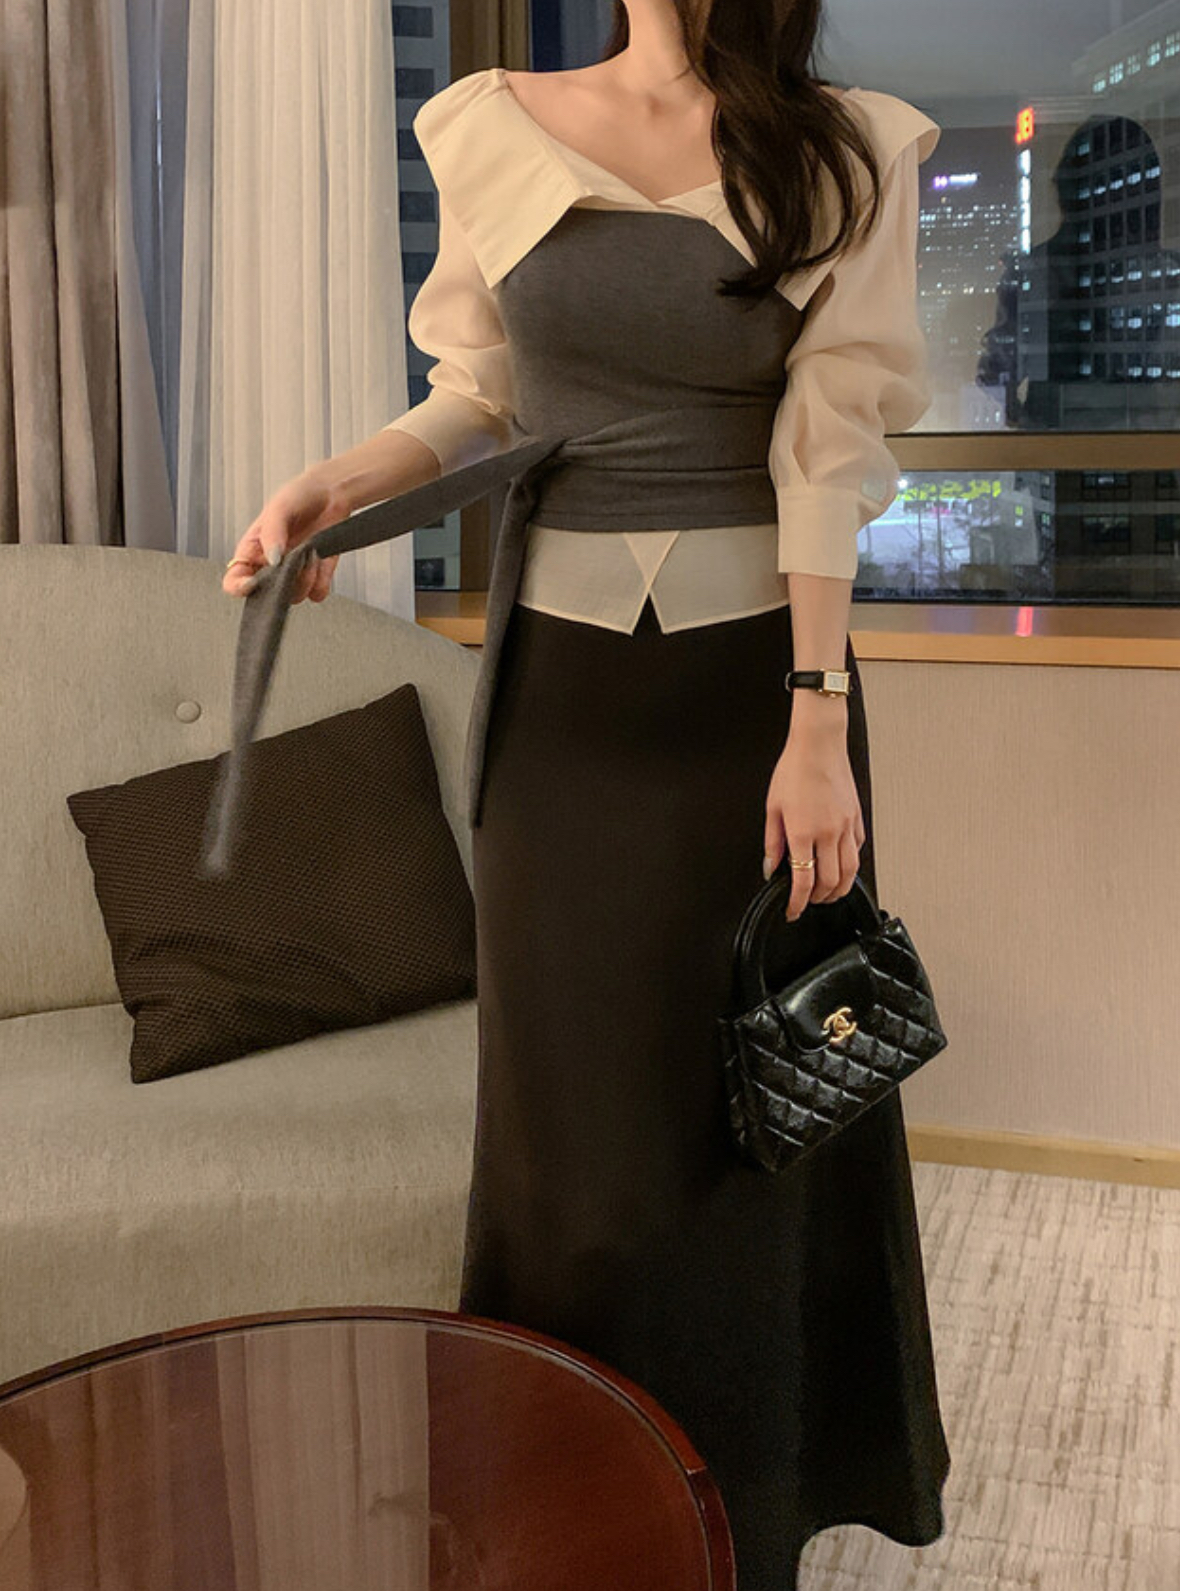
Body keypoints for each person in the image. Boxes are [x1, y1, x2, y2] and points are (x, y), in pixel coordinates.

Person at [221, 4, 951, 1585]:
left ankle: (746, 1511)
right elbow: (486, 393)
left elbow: (827, 448)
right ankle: (562, 1508)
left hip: (755, 697)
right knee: (567, 1132)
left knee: (753, 1114)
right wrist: (341, 484)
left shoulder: (846, 147)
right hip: (559, 708)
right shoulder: (489, 121)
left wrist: (816, 717)